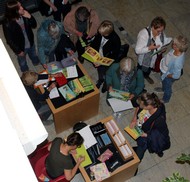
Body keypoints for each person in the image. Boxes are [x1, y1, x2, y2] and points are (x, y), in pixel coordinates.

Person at [130, 92, 170, 162]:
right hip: (140, 128)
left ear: (148, 106)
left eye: (142, 106)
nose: (140, 106)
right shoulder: (147, 99)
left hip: (146, 135)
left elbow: (160, 134)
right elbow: (138, 107)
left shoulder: (159, 120)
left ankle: (135, 164)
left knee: (140, 151)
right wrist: (134, 119)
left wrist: (145, 135)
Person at [2, 0, 39, 72]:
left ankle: (35, 61)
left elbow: (34, 25)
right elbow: (9, 40)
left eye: (21, 5)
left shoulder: (24, 13)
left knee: (33, 53)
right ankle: (24, 69)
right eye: (19, 7)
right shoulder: (7, 23)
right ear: (14, 11)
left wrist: (30, 17)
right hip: (21, 47)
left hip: (30, 41)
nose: (22, 8)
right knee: (22, 61)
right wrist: (18, 51)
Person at [135, 16, 172, 84]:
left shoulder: (160, 32)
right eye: (158, 31)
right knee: (140, 71)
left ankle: (146, 76)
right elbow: (137, 50)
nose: (160, 33)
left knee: (149, 69)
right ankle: (138, 81)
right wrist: (149, 48)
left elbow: (160, 42)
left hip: (153, 59)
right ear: (152, 27)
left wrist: (160, 50)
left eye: (162, 31)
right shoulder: (143, 34)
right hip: (144, 60)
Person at [155, 35, 188, 103]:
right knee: (164, 83)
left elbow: (177, 75)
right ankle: (163, 88)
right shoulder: (176, 50)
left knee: (167, 87)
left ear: (178, 48)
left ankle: (166, 99)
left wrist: (168, 75)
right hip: (166, 69)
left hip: (169, 74)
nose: (172, 44)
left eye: (174, 44)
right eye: (173, 42)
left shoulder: (177, 62)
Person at [90, 20, 121, 93]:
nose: (100, 34)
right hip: (99, 56)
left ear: (108, 33)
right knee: (100, 71)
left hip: (108, 60)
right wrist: (90, 48)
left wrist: (102, 62)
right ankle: (100, 80)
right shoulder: (101, 33)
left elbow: (114, 56)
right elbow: (95, 42)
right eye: (100, 33)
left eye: (103, 34)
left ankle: (105, 85)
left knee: (108, 74)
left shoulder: (115, 40)